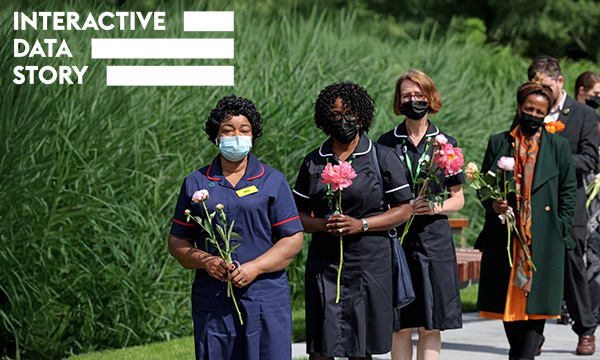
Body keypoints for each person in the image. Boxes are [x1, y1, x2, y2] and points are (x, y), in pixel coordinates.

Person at [167, 95, 304, 360]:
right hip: (214, 298)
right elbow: (177, 241)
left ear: (253, 136)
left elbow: (293, 239)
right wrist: (205, 260)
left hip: (265, 296)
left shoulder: (272, 180)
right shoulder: (196, 182)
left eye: (244, 130)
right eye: (227, 130)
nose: (236, 136)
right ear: (216, 137)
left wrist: (256, 267)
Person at [293, 82, 413, 360]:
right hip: (325, 263)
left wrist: (362, 225)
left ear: (362, 117)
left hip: (370, 263)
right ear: (325, 118)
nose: (343, 121)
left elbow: (404, 209)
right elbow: (297, 215)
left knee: (361, 346)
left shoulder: (382, 156)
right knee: (321, 346)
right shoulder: (314, 161)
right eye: (335, 115)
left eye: (350, 114)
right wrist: (323, 225)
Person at [476, 74, 577, 360]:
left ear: (546, 115)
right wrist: (491, 204)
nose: (532, 115)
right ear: (519, 108)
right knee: (510, 301)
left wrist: (561, 226)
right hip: (507, 236)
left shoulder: (558, 147)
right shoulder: (499, 142)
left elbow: (568, 191)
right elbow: (484, 185)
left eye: (539, 112)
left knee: (537, 303)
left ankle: (524, 356)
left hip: (543, 237)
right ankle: (518, 353)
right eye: (528, 109)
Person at [378, 70, 465, 360]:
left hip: (434, 241)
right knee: (400, 325)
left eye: (418, 95)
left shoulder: (446, 144)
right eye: (406, 96)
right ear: (398, 101)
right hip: (397, 240)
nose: (413, 100)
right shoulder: (386, 143)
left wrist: (435, 207)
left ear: (430, 98)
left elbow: (458, 198)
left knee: (430, 323)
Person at [527, 56, 600, 355]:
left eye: (545, 87)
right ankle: (535, 336)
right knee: (538, 271)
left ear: (560, 82)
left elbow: (589, 159)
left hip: (570, 205)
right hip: (535, 207)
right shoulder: (530, 110)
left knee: (572, 270)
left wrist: (552, 158)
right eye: (535, 87)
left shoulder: (583, 114)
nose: (540, 93)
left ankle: (585, 330)